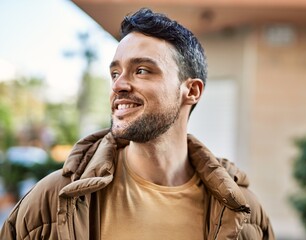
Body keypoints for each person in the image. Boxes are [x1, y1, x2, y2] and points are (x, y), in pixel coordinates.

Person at [0, 8, 274, 239]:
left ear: (191, 91)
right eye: (115, 72)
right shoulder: (52, 200)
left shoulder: (244, 213)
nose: (118, 85)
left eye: (142, 70)